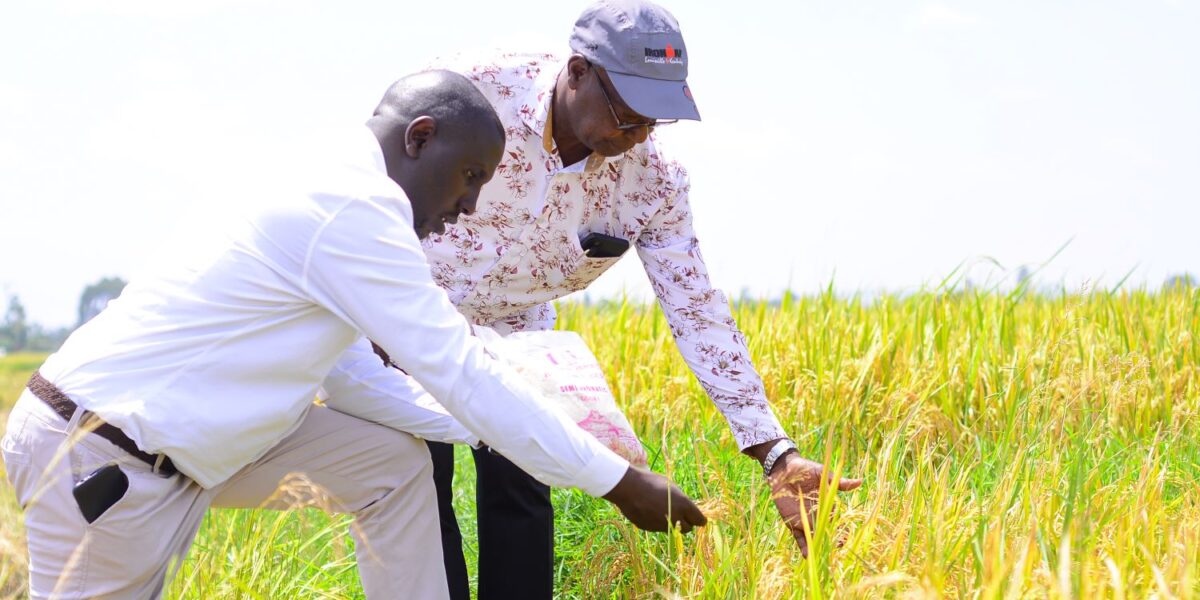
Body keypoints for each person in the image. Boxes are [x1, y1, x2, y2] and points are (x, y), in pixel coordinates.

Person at [0, 70, 705, 600]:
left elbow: (348, 377)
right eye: (467, 178)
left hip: (169, 447)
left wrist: (500, 433)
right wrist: (618, 483)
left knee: (390, 461)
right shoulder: (354, 209)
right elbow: (458, 370)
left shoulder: (330, 183)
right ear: (418, 137)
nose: (466, 208)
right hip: (103, 455)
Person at [370, 2, 863, 598]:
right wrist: (365, 310)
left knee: (524, 480)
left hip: (518, 338)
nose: (640, 135)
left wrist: (775, 455)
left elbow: (696, 309)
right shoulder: (472, 91)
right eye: (628, 113)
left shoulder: (653, 181)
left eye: (657, 119)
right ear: (577, 72)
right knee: (420, 484)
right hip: (410, 314)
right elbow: (377, 177)